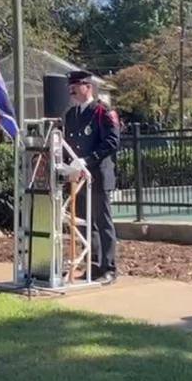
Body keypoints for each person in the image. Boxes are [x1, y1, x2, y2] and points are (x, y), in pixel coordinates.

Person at [63, 70, 121, 284]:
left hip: (97, 174)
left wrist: (88, 160)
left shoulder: (102, 112)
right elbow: (68, 144)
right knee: (85, 223)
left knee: (102, 222)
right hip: (79, 178)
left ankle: (109, 268)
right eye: (70, 88)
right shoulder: (71, 115)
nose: (72, 91)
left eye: (76, 87)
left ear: (88, 87)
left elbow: (112, 142)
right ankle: (93, 264)